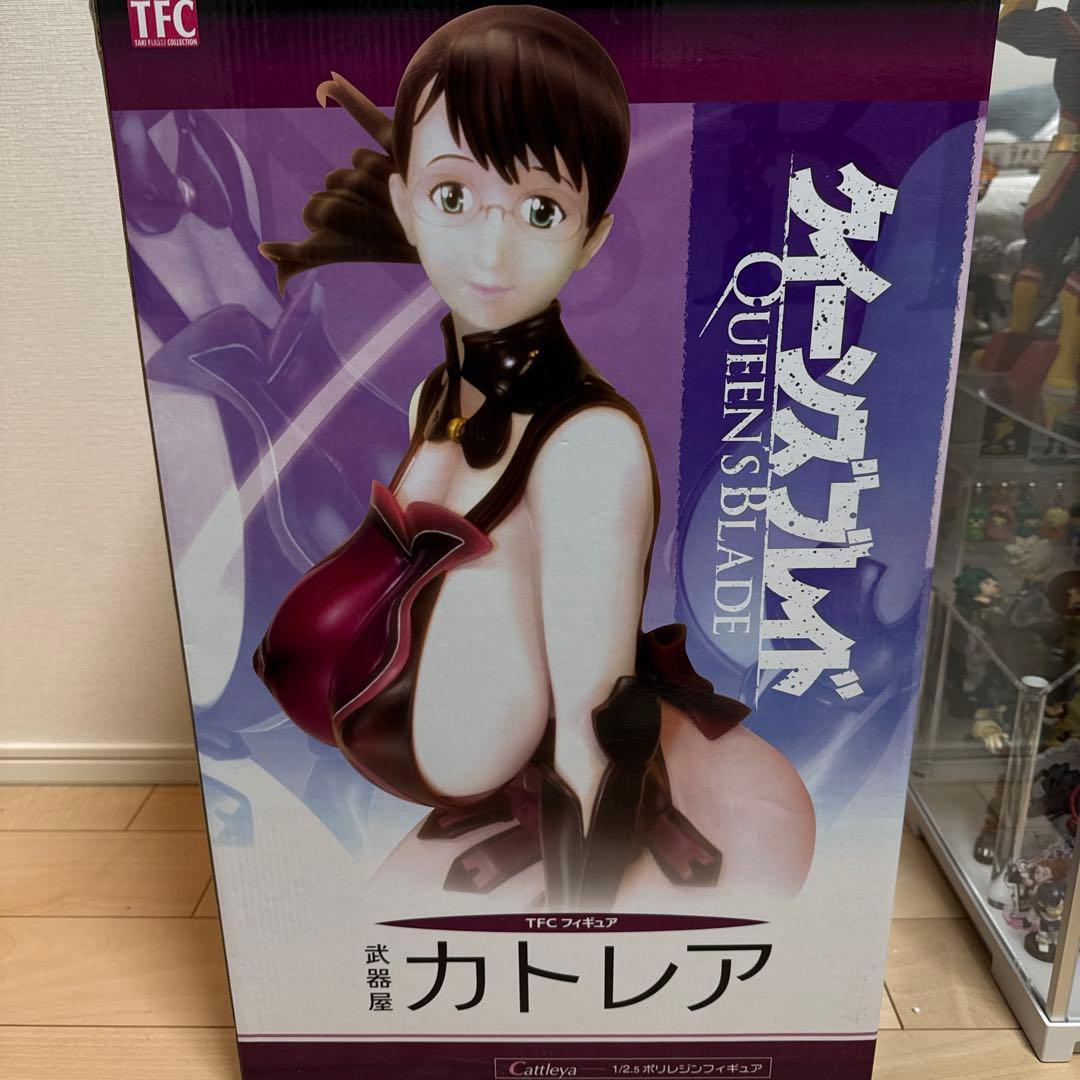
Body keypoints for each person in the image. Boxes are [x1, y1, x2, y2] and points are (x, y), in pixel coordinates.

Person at [255, 5, 813, 910]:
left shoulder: (585, 444)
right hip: (496, 806)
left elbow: (598, 725)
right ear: (403, 202)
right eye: (452, 196)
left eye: (541, 209)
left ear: (591, 237)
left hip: (588, 829)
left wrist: (581, 910)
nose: (491, 249)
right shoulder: (435, 400)